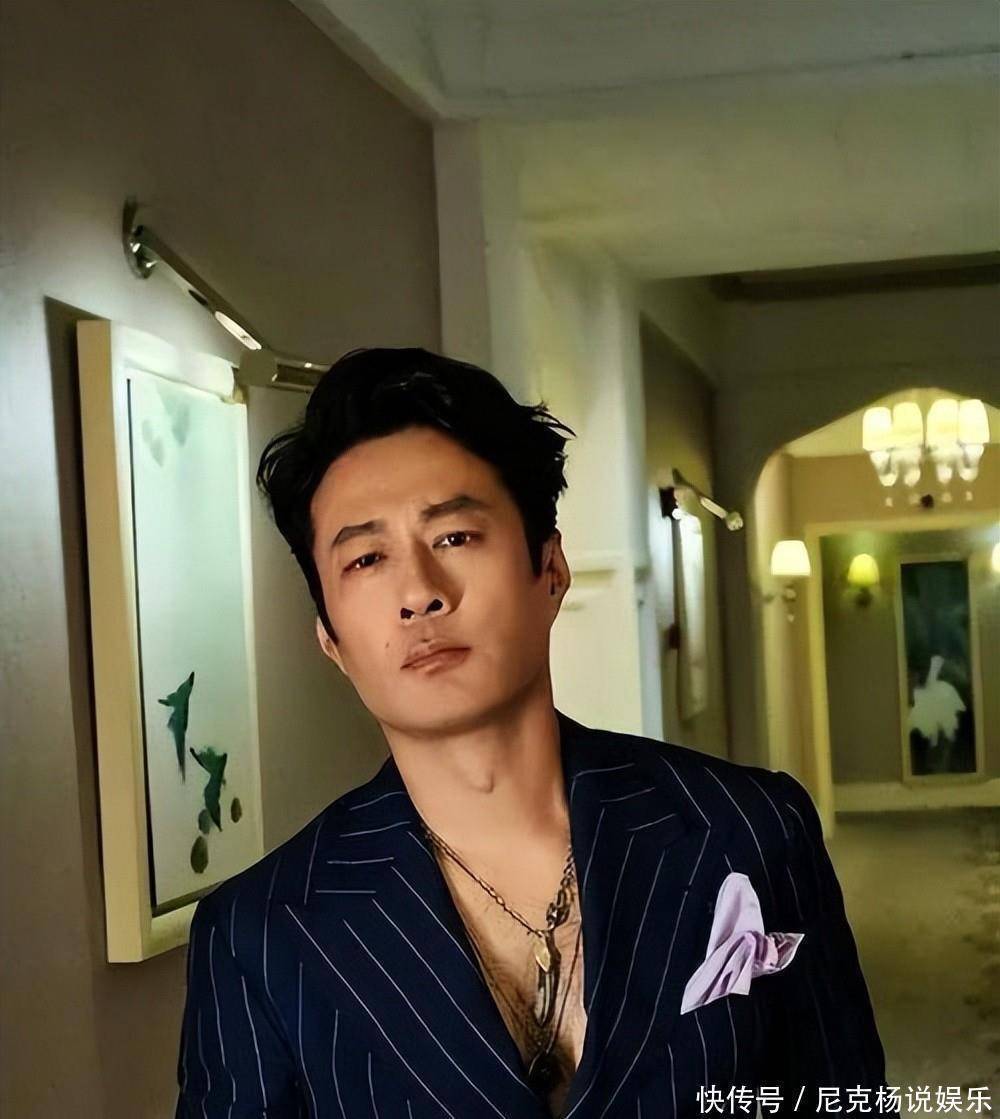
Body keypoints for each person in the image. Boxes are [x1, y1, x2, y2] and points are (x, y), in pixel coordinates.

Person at [174, 347, 887, 1118]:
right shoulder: (261, 934)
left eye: (455, 537)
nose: (419, 593)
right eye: (368, 558)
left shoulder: (748, 829)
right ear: (330, 639)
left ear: (550, 568)